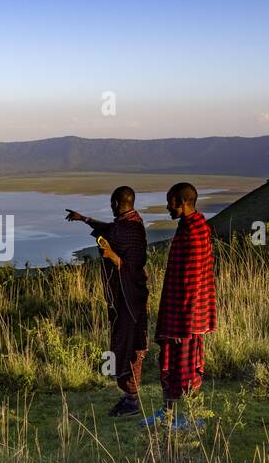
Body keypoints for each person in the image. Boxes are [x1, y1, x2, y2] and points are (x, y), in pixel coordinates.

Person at [65, 186, 149, 416]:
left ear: (116, 203)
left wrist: (112, 255)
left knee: (129, 345)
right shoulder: (128, 223)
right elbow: (110, 229)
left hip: (130, 298)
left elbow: (135, 264)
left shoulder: (132, 228)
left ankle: (132, 400)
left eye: (112, 203)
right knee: (121, 344)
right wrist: (84, 219)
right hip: (121, 299)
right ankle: (129, 396)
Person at [144, 182, 216, 430]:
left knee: (185, 367)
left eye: (170, 202)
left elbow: (194, 284)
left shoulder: (195, 232)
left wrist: (181, 327)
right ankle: (167, 414)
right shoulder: (188, 227)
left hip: (186, 318)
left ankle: (194, 418)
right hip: (177, 313)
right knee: (172, 365)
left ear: (182, 201)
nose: (167, 208)